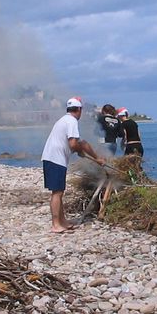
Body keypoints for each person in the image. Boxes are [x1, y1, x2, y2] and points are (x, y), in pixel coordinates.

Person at [41, 97, 106, 233]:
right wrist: (78, 150)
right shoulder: (72, 121)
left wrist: (97, 158)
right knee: (57, 193)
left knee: (59, 191)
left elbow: (82, 143)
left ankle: (62, 222)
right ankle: (56, 225)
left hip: (53, 158)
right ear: (79, 110)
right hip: (55, 159)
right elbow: (73, 144)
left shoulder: (65, 120)